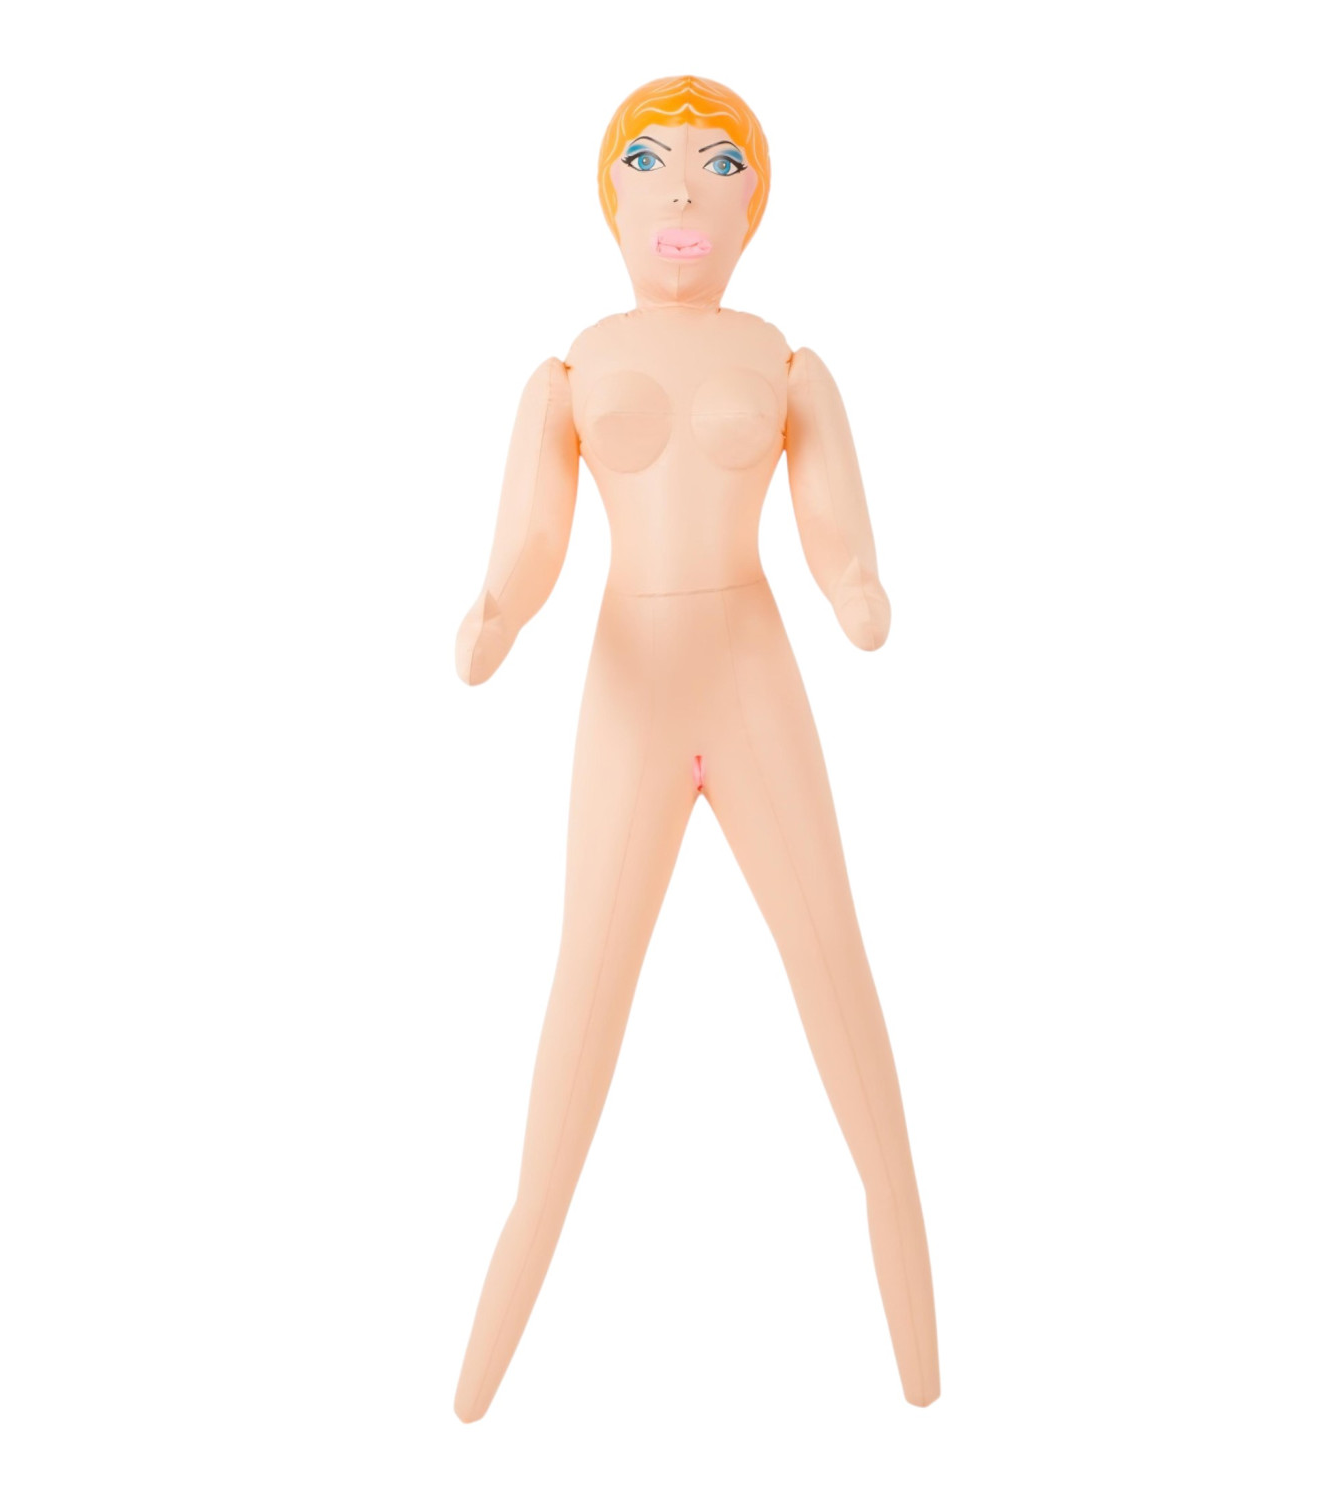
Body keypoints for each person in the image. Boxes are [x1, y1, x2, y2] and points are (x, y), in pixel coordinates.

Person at [452, 74, 939, 1420]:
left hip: (754, 677)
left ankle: (921, 1351)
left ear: (754, 207)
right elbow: (533, 540)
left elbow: (838, 529)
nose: (682, 189)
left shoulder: (786, 364)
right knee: (583, 1003)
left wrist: (857, 591)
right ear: (608, 199)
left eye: (721, 165)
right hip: (632, 687)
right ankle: (483, 1360)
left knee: (836, 975)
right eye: (650, 163)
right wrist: (494, 615)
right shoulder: (570, 372)